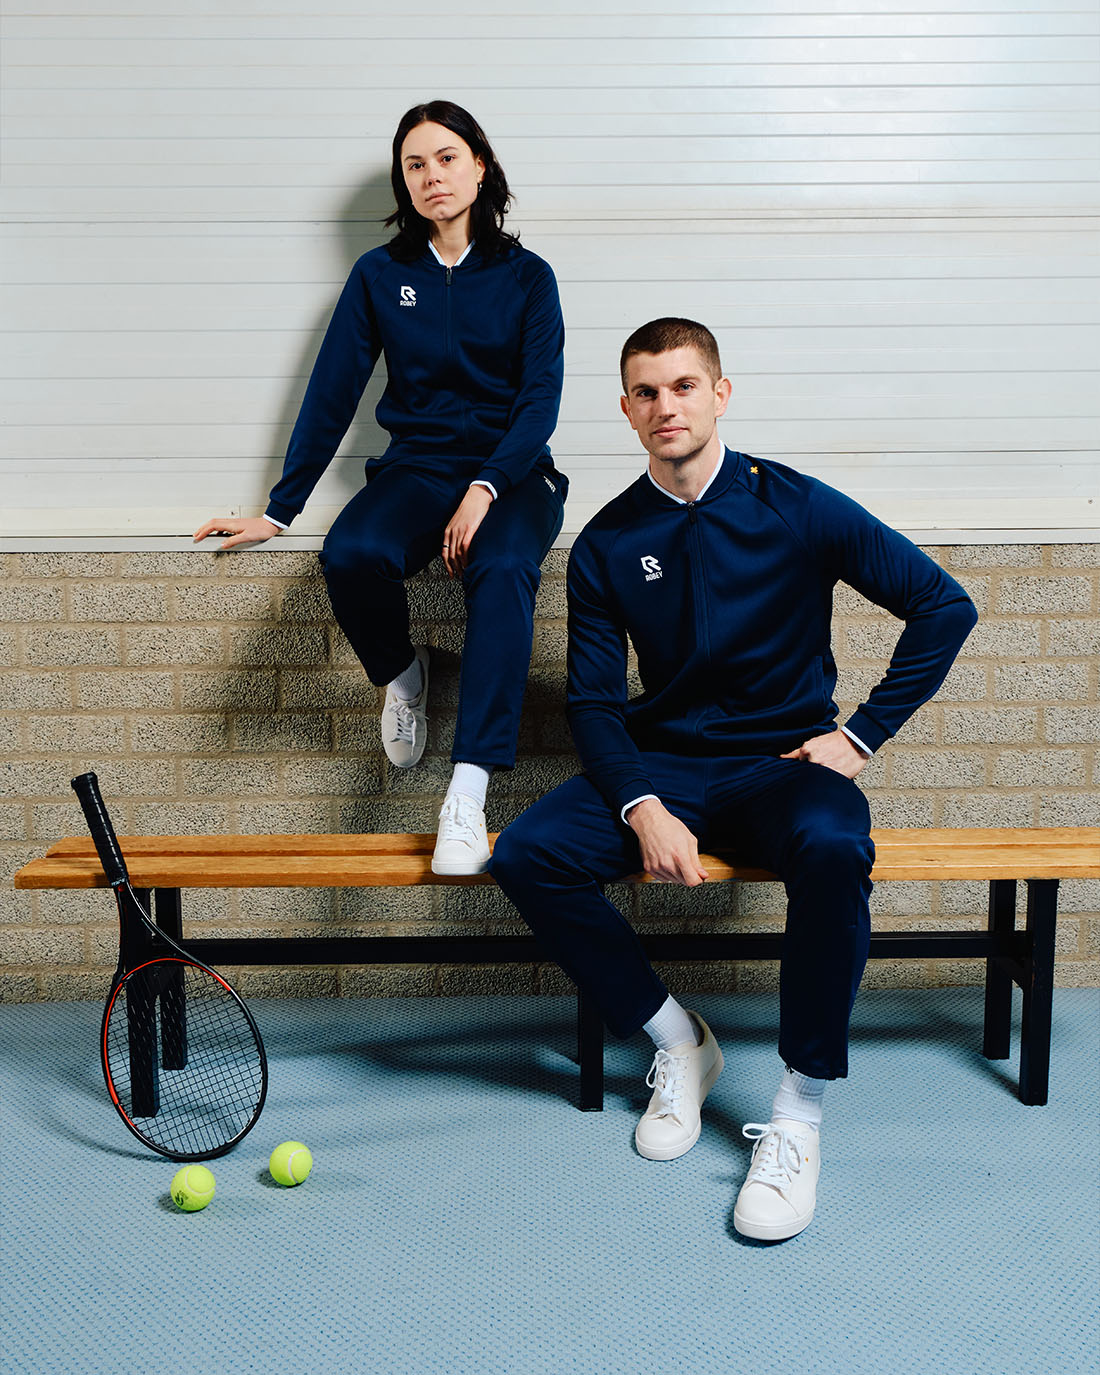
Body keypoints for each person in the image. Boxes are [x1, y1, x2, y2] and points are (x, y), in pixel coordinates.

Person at [489, 317, 977, 1240]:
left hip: (780, 765)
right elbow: (593, 701)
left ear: (719, 393)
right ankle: (679, 1041)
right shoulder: (606, 542)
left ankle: (798, 1111)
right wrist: (642, 806)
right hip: (663, 767)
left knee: (836, 843)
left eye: (683, 386)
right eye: (646, 392)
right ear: (626, 410)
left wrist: (860, 737)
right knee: (527, 852)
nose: (665, 406)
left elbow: (942, 606)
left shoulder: (796, 505)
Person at [194, 101, 567, 875]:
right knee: (352, 552)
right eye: (415, 165)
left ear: (481, 166)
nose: (433, 176)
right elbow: (333, 389)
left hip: (514, 472)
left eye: (448, 158)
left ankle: (467, 795)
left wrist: (486, 487)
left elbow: (539, 402)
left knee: (503, 567)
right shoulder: (380, 275)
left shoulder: (528, 277)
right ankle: (403, 673)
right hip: (418, 466)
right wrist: (279, 509)